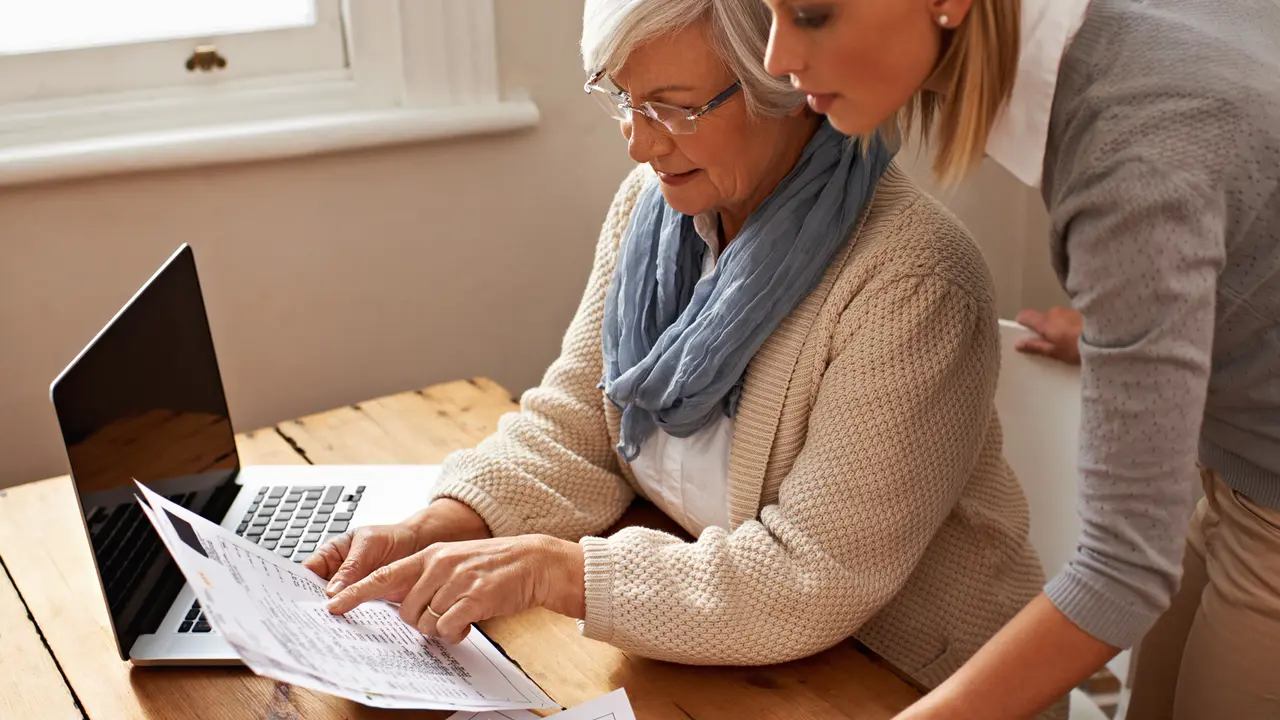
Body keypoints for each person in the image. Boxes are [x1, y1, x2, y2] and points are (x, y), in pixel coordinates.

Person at [304, 0, 1056, 701]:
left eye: (674, 107)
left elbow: (809, 578)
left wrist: (555, 571)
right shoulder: (653, 207)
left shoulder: (914, 281)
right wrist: (438, 524)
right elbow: (578, 427)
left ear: (784, 86)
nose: (640, 141)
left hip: (910, 681)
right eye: (623, 99)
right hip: (743, 667)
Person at [761, 0, 1280, 717]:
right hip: (1239, 468)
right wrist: (1138, 323)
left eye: (811, 13)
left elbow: (1122, 574)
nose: (776, 59)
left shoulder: (1131, 157)